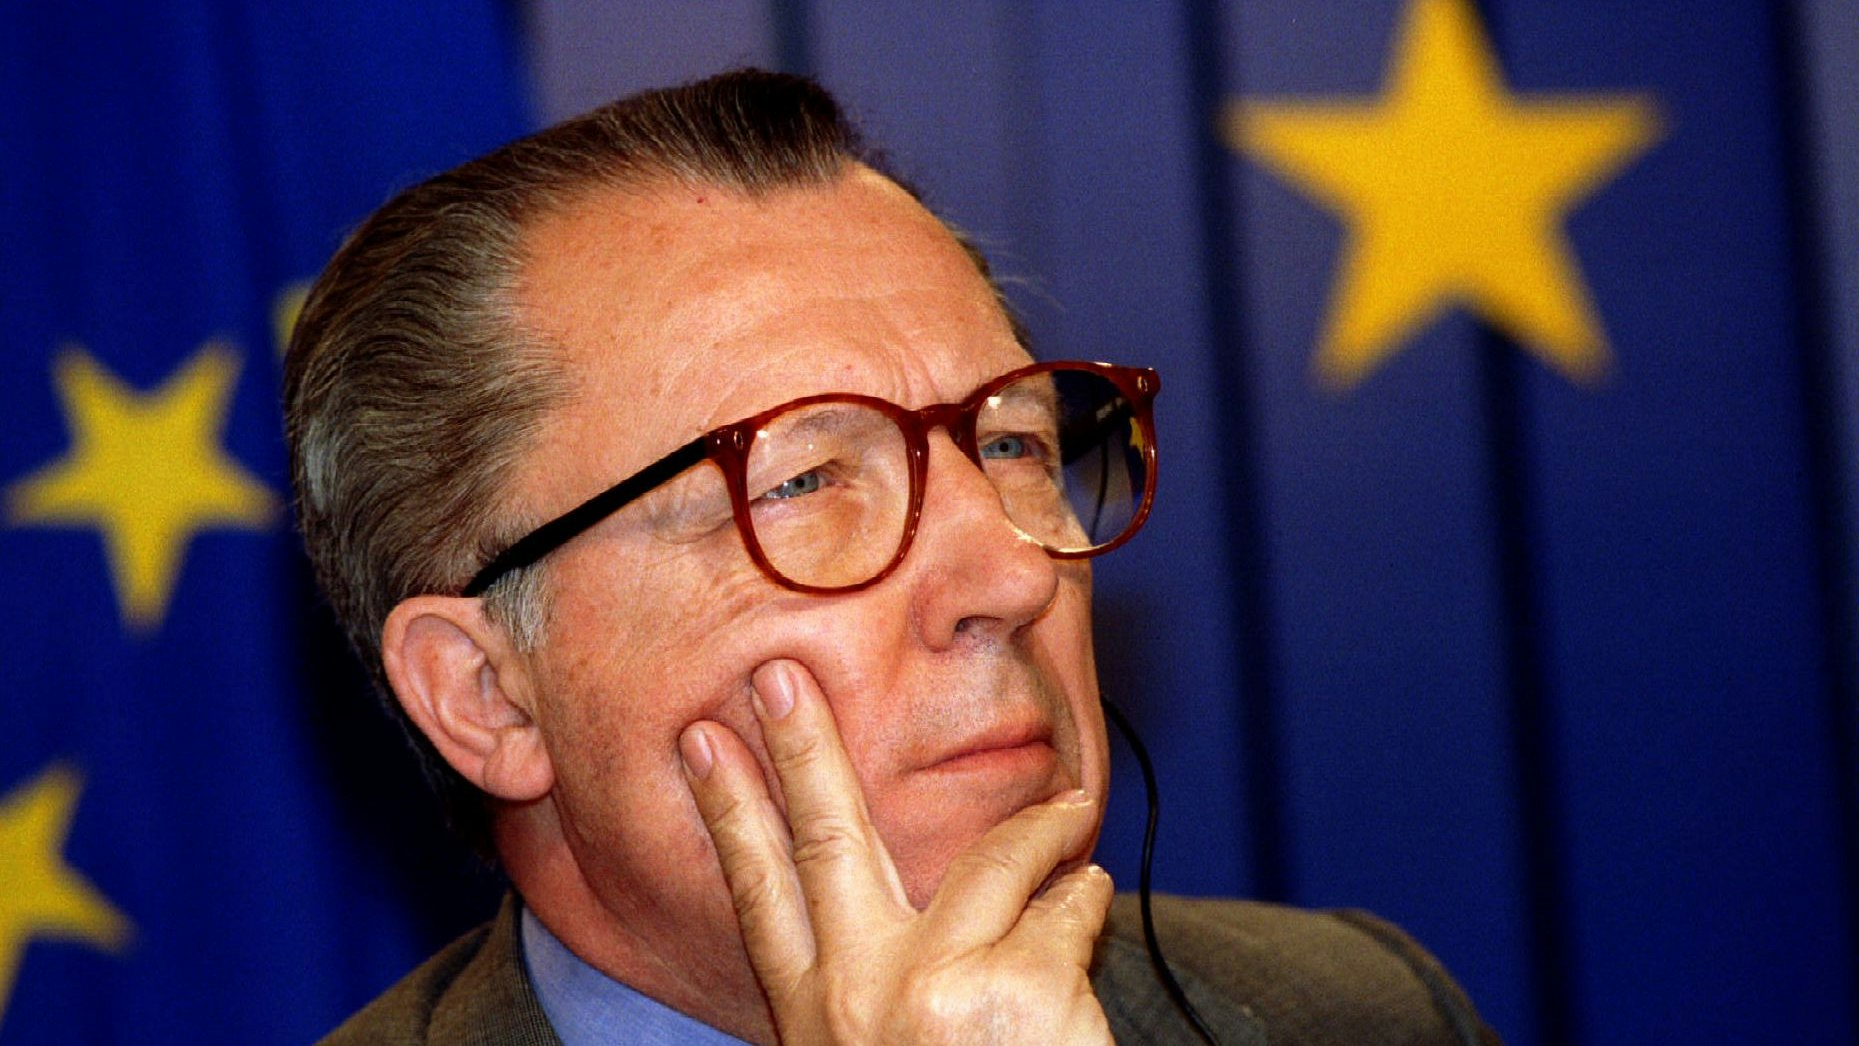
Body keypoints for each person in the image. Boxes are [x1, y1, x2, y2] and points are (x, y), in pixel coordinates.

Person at [286, 69, 1498, 1045]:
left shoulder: (1351, 1011)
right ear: (487, 693)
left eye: (1013, 443)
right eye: (805, 480)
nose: (1015, 576)